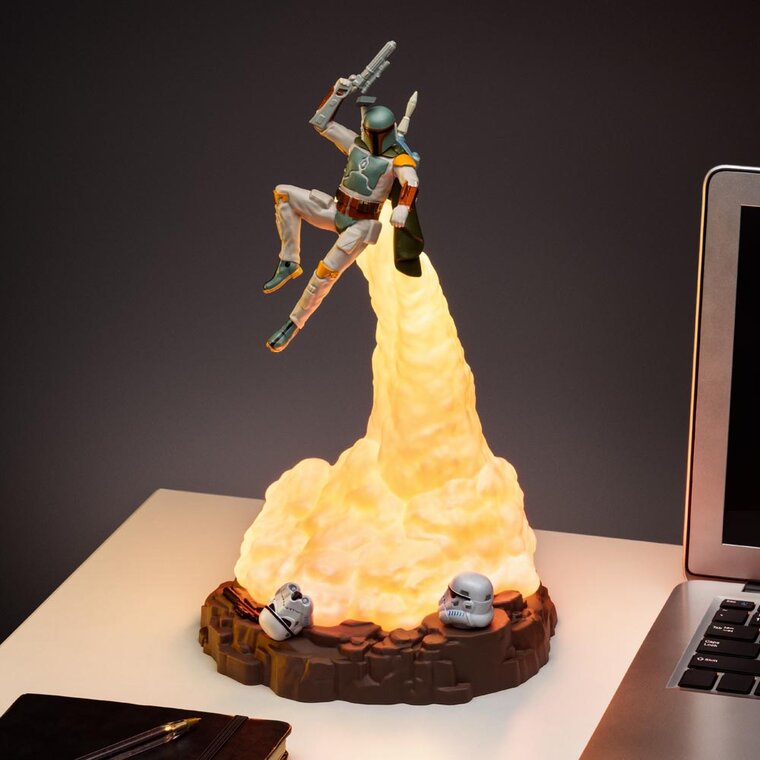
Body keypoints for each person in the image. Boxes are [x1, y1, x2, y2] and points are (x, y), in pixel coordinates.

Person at [263, 76, 423, 352]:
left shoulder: (397, 159)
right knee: (284, 194)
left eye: (376, 134)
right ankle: (289, 261)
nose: (371, 138)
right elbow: (320, 123)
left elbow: (411, 181)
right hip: (337, 209)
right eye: (368, 132)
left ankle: (293, 323)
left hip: (361, 225)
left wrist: (402, 206)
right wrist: (338, 92)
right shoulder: (355, 143)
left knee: (324, 274)